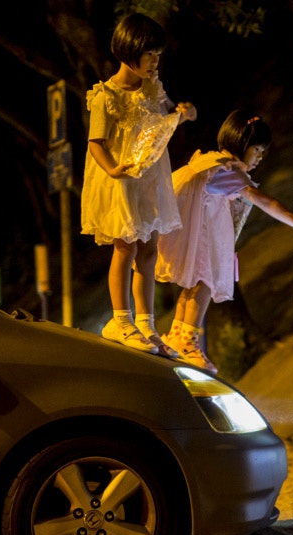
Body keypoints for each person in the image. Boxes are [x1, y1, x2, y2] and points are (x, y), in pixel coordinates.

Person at [156, 110, 293, 373]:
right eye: (256, 150)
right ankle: (187, 341)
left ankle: (178, 335)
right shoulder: (227, 169)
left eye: (262, 152)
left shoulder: (212, 162)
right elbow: (263, 200)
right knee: (206, 279)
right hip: (195, 232)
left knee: (196, 283)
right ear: (240, 143)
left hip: (189, 227)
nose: (259, 157)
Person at [81, 13, 197, 355]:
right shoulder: (106, 95)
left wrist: (183, 112)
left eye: (158, 55)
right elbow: (95, 142)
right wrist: (114, 171)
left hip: (149, 177)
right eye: (150, 55)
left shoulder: (152, 88)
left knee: (149, 250)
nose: (155, 62)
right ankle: (120, 320)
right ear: (129, 52)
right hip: (122, 181)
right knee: (125, 247)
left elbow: (161, 120)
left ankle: (146, 325)